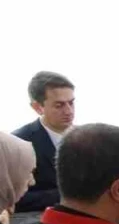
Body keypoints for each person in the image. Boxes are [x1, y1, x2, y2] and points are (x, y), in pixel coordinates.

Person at [12, 71, 75, 213]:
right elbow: (14, 198)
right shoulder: (19, 142)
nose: (69, 111)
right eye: (59, 105)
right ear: (37, 107)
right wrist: (70, 195)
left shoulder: (89, 137)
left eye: (71, 103)